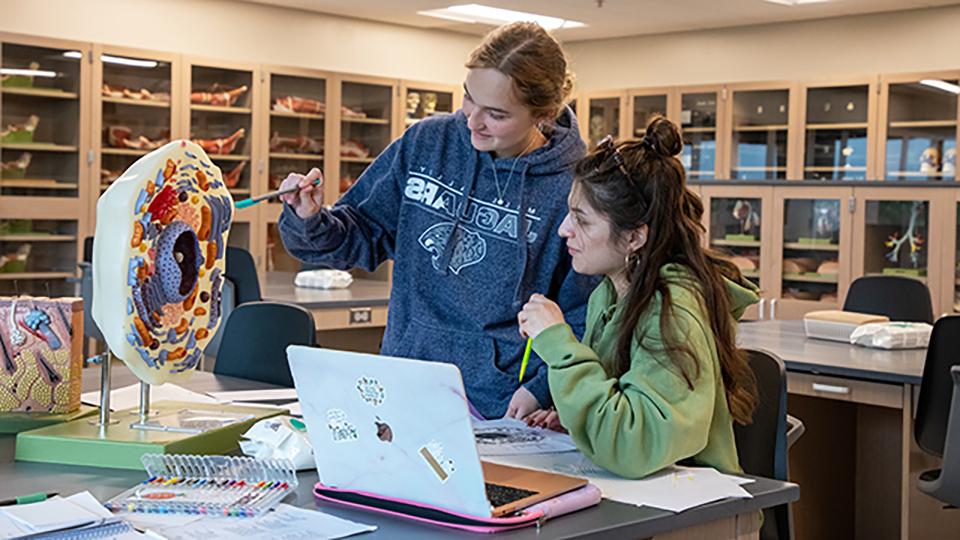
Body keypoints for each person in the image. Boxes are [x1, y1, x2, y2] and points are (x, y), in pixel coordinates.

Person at [278, 22, 597, 420]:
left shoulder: (569, 186)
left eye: (496, 114)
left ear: (543, 114)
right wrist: (308, 218)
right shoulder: (427, 143)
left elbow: (587, 310)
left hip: (499, 405)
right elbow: (359, 234)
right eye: (468, 98)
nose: (472, 121)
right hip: (403, 379)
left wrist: (541, 388)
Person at [517, 117, 760, 478]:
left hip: (698, 516)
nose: (563, 230)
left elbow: (634, 443)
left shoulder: (672, 309)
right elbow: (619, 403)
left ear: (634, 238)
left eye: (581, 220)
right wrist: (577, 419)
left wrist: (556, 343)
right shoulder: (610, 292)